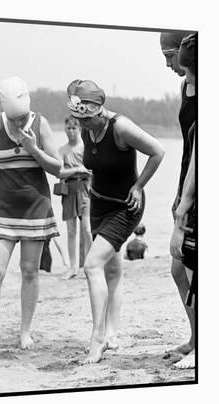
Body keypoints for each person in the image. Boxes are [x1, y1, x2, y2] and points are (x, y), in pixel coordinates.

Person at [66, 79, 165, 364]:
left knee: (91, 264)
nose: (82, 125)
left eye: (86, 119)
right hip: (98, 203)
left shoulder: (120, 127)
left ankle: (96, 339)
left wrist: (138, 186)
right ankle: (112, 333)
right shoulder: (87, 130)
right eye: (78, 120)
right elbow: (96, 163)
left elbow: (158, 151)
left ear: (99, 111)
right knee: (111, 270)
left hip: (125, 206)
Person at [0, 76, 62, 359]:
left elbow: (57, 168)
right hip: (3, 209)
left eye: (21, 118)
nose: (18, 123)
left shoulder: (40, 123)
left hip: (35, 208)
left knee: (30, 271)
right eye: (14, 118)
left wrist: (33, 148)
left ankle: (25, 331)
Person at [159, 30, 197, 362]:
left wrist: (187, 201)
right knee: (177, 270)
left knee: (194, 267)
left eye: (170, 56)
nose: (169, 64)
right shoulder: (185, 86)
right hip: (185, 179)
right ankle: (197, 337)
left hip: (197, 187)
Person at [57, 116, 92, 279]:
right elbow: (60, 172)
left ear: (79, 129)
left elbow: (91, 169)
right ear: (65, 130)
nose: (71, 131)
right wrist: (77, 169)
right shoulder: (62, 150)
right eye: (68, 128)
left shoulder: (85, 147)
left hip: (85, 188)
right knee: (71, 231)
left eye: (74, 128)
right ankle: (73, 267)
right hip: (69, 190)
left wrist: (80, 170)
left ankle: (90, 264)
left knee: (87, 229)